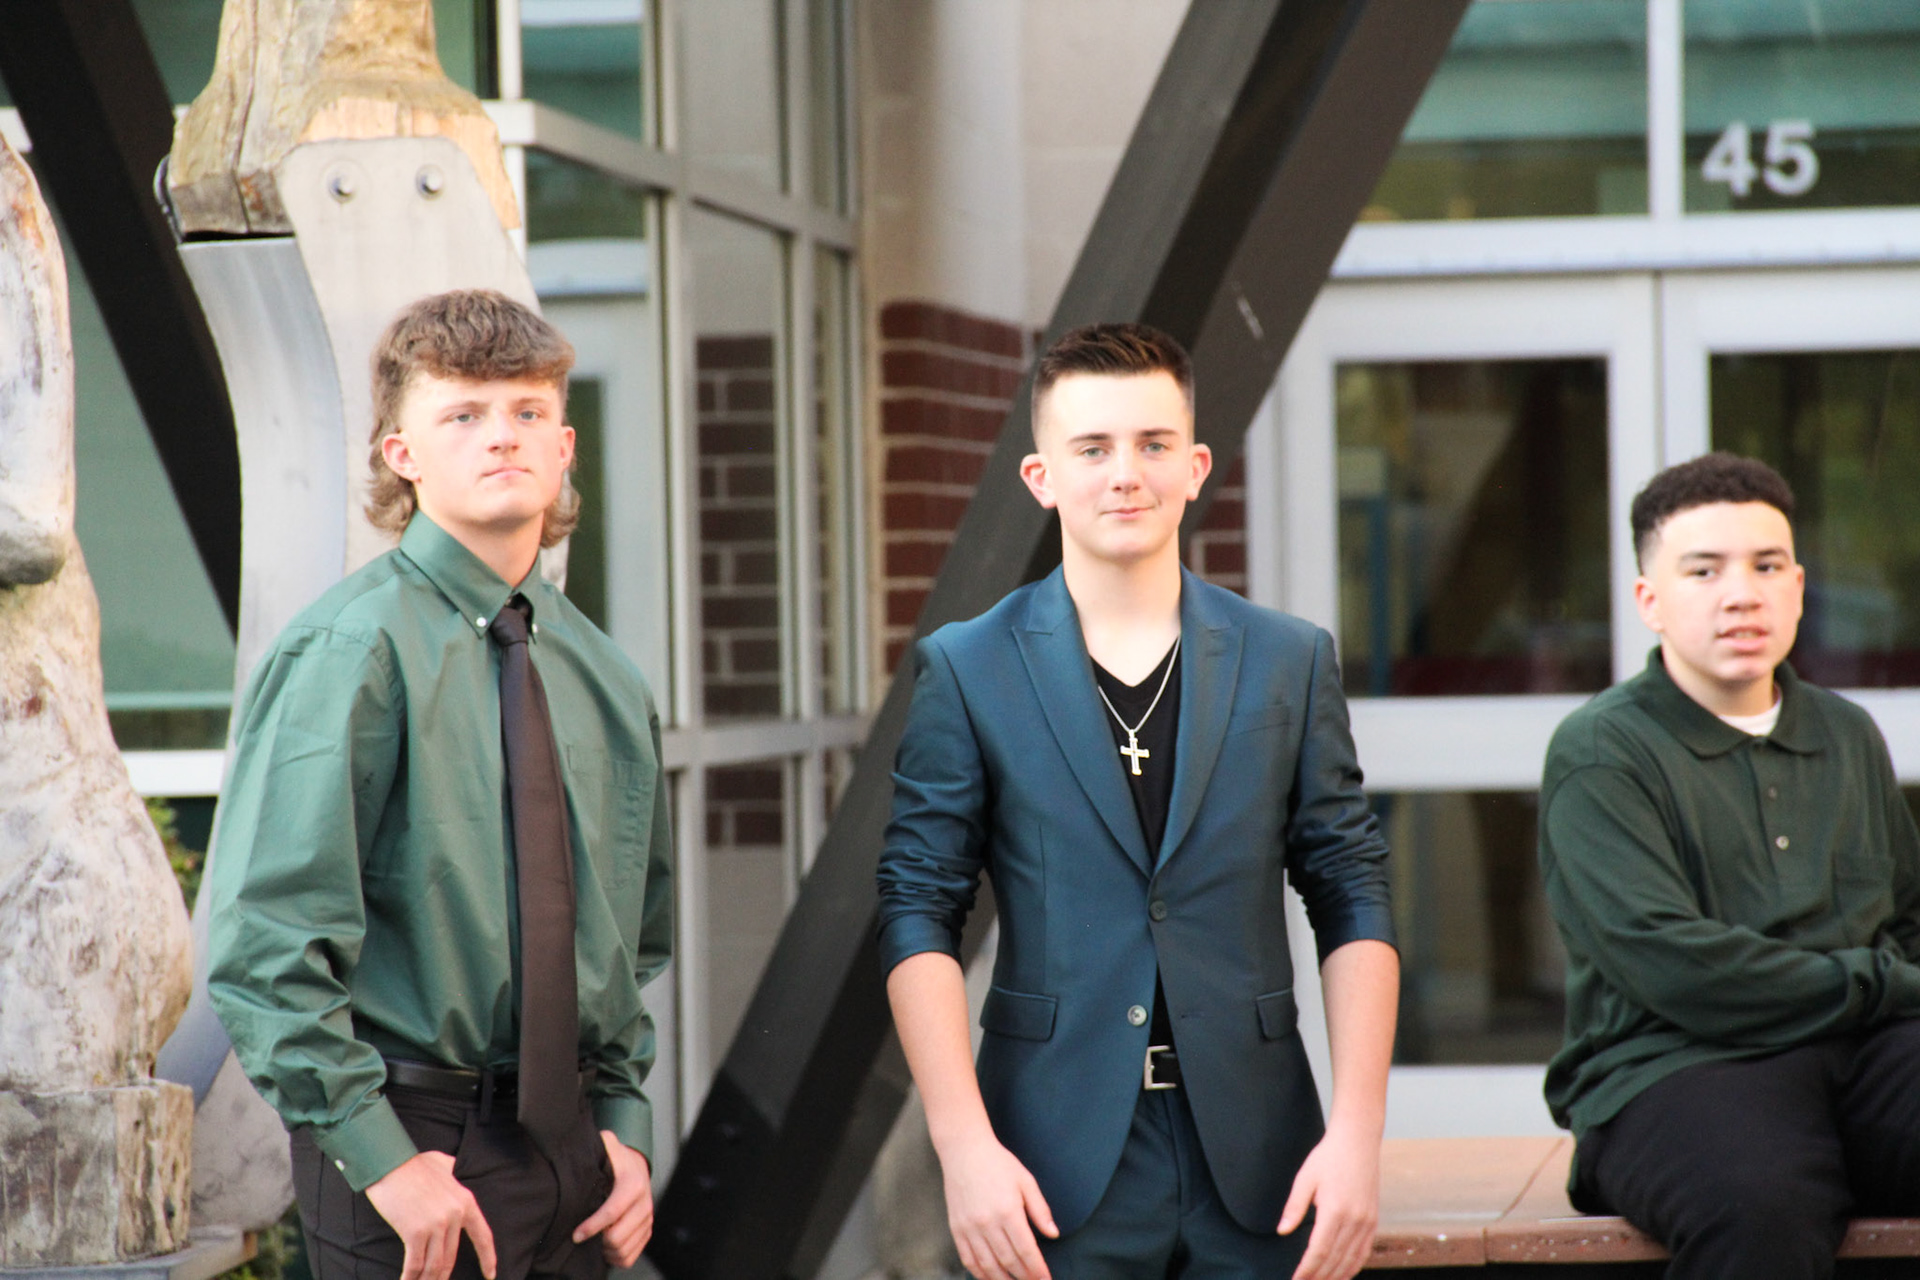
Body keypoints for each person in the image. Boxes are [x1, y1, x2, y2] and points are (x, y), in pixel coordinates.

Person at [877, 322, 1400, 1280]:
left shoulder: (1288, 659)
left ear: (1195, 467)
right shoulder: (968, 666)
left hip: (1261, 1154)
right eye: (1093, 448)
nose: (1126, 474)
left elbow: (1350, 890)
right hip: (1047, 1159)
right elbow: (918, 910)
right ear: (1041, 477)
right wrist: (964, 1147)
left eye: (1154, 444)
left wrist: (1358, 1134)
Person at [206, 290, 673, 1280]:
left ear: (564, 445)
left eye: (528, 411)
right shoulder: (349, 651)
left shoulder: (606, 676)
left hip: (578, 1162)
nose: (502, 435)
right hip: (411, 1150)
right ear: (401, 454)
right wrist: (377, 1152)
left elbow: (630, 942)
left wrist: (623, 1124)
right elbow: (267, 945)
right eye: (462, 413)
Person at [1538, 452, 1920, 1279]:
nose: (1741, 594)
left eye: (1767, 566)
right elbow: (1673, 967)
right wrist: (1874, 982)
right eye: (1704, 570)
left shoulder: (1846, 734)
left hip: (1861, 1052)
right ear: (1650, 600)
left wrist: (1888, 988)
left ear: (1799, 587)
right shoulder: (1602, 752)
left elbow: (1907, 920)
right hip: (1674, 1063)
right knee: (1761, 1208)